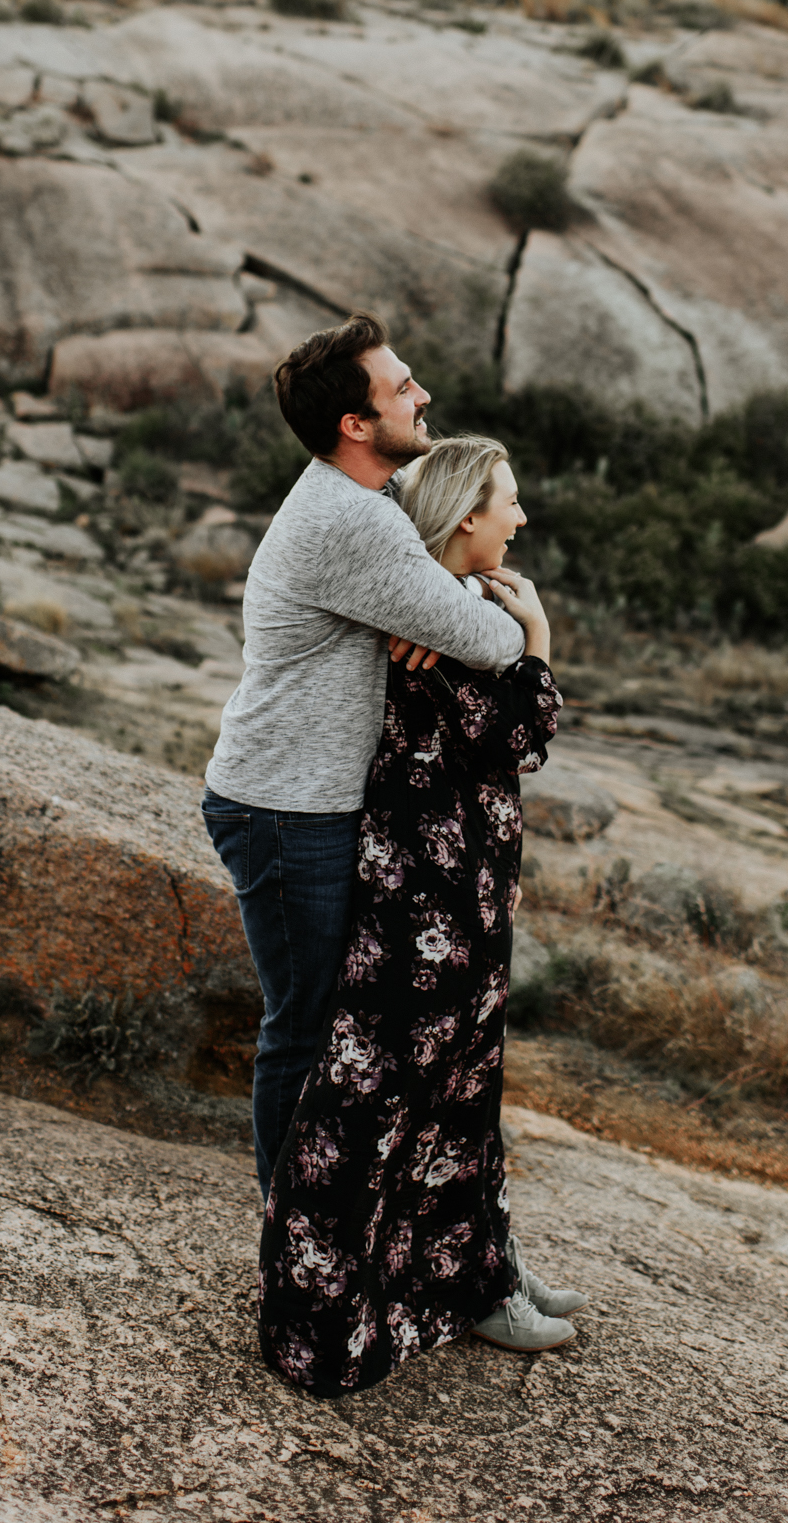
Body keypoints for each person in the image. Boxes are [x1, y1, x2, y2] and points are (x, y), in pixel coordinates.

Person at [257, 435, 589, 1398]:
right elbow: (518, 734)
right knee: (378, 1101)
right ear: (466, 516)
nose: (521, 519)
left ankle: (480, 1274)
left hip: (467, 894)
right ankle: (322, 1308)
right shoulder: (429, 623)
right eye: (509, 503)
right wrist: (541, 644)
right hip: (419, 902)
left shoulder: (457, 605)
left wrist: (514, 629)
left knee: (461, 1096)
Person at [202, 313, 526, 1203]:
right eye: (400, 387)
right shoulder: (351, 521)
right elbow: (491, 643)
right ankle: (291, 1243)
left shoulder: (362, 501)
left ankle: (362, 1235)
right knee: (304, 1032)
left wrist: (434, 602)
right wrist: (507, 617)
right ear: (355, 424)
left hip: (306, 800)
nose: (420, 395)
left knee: (338, 1028)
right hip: (285, 808)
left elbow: (439, 599)